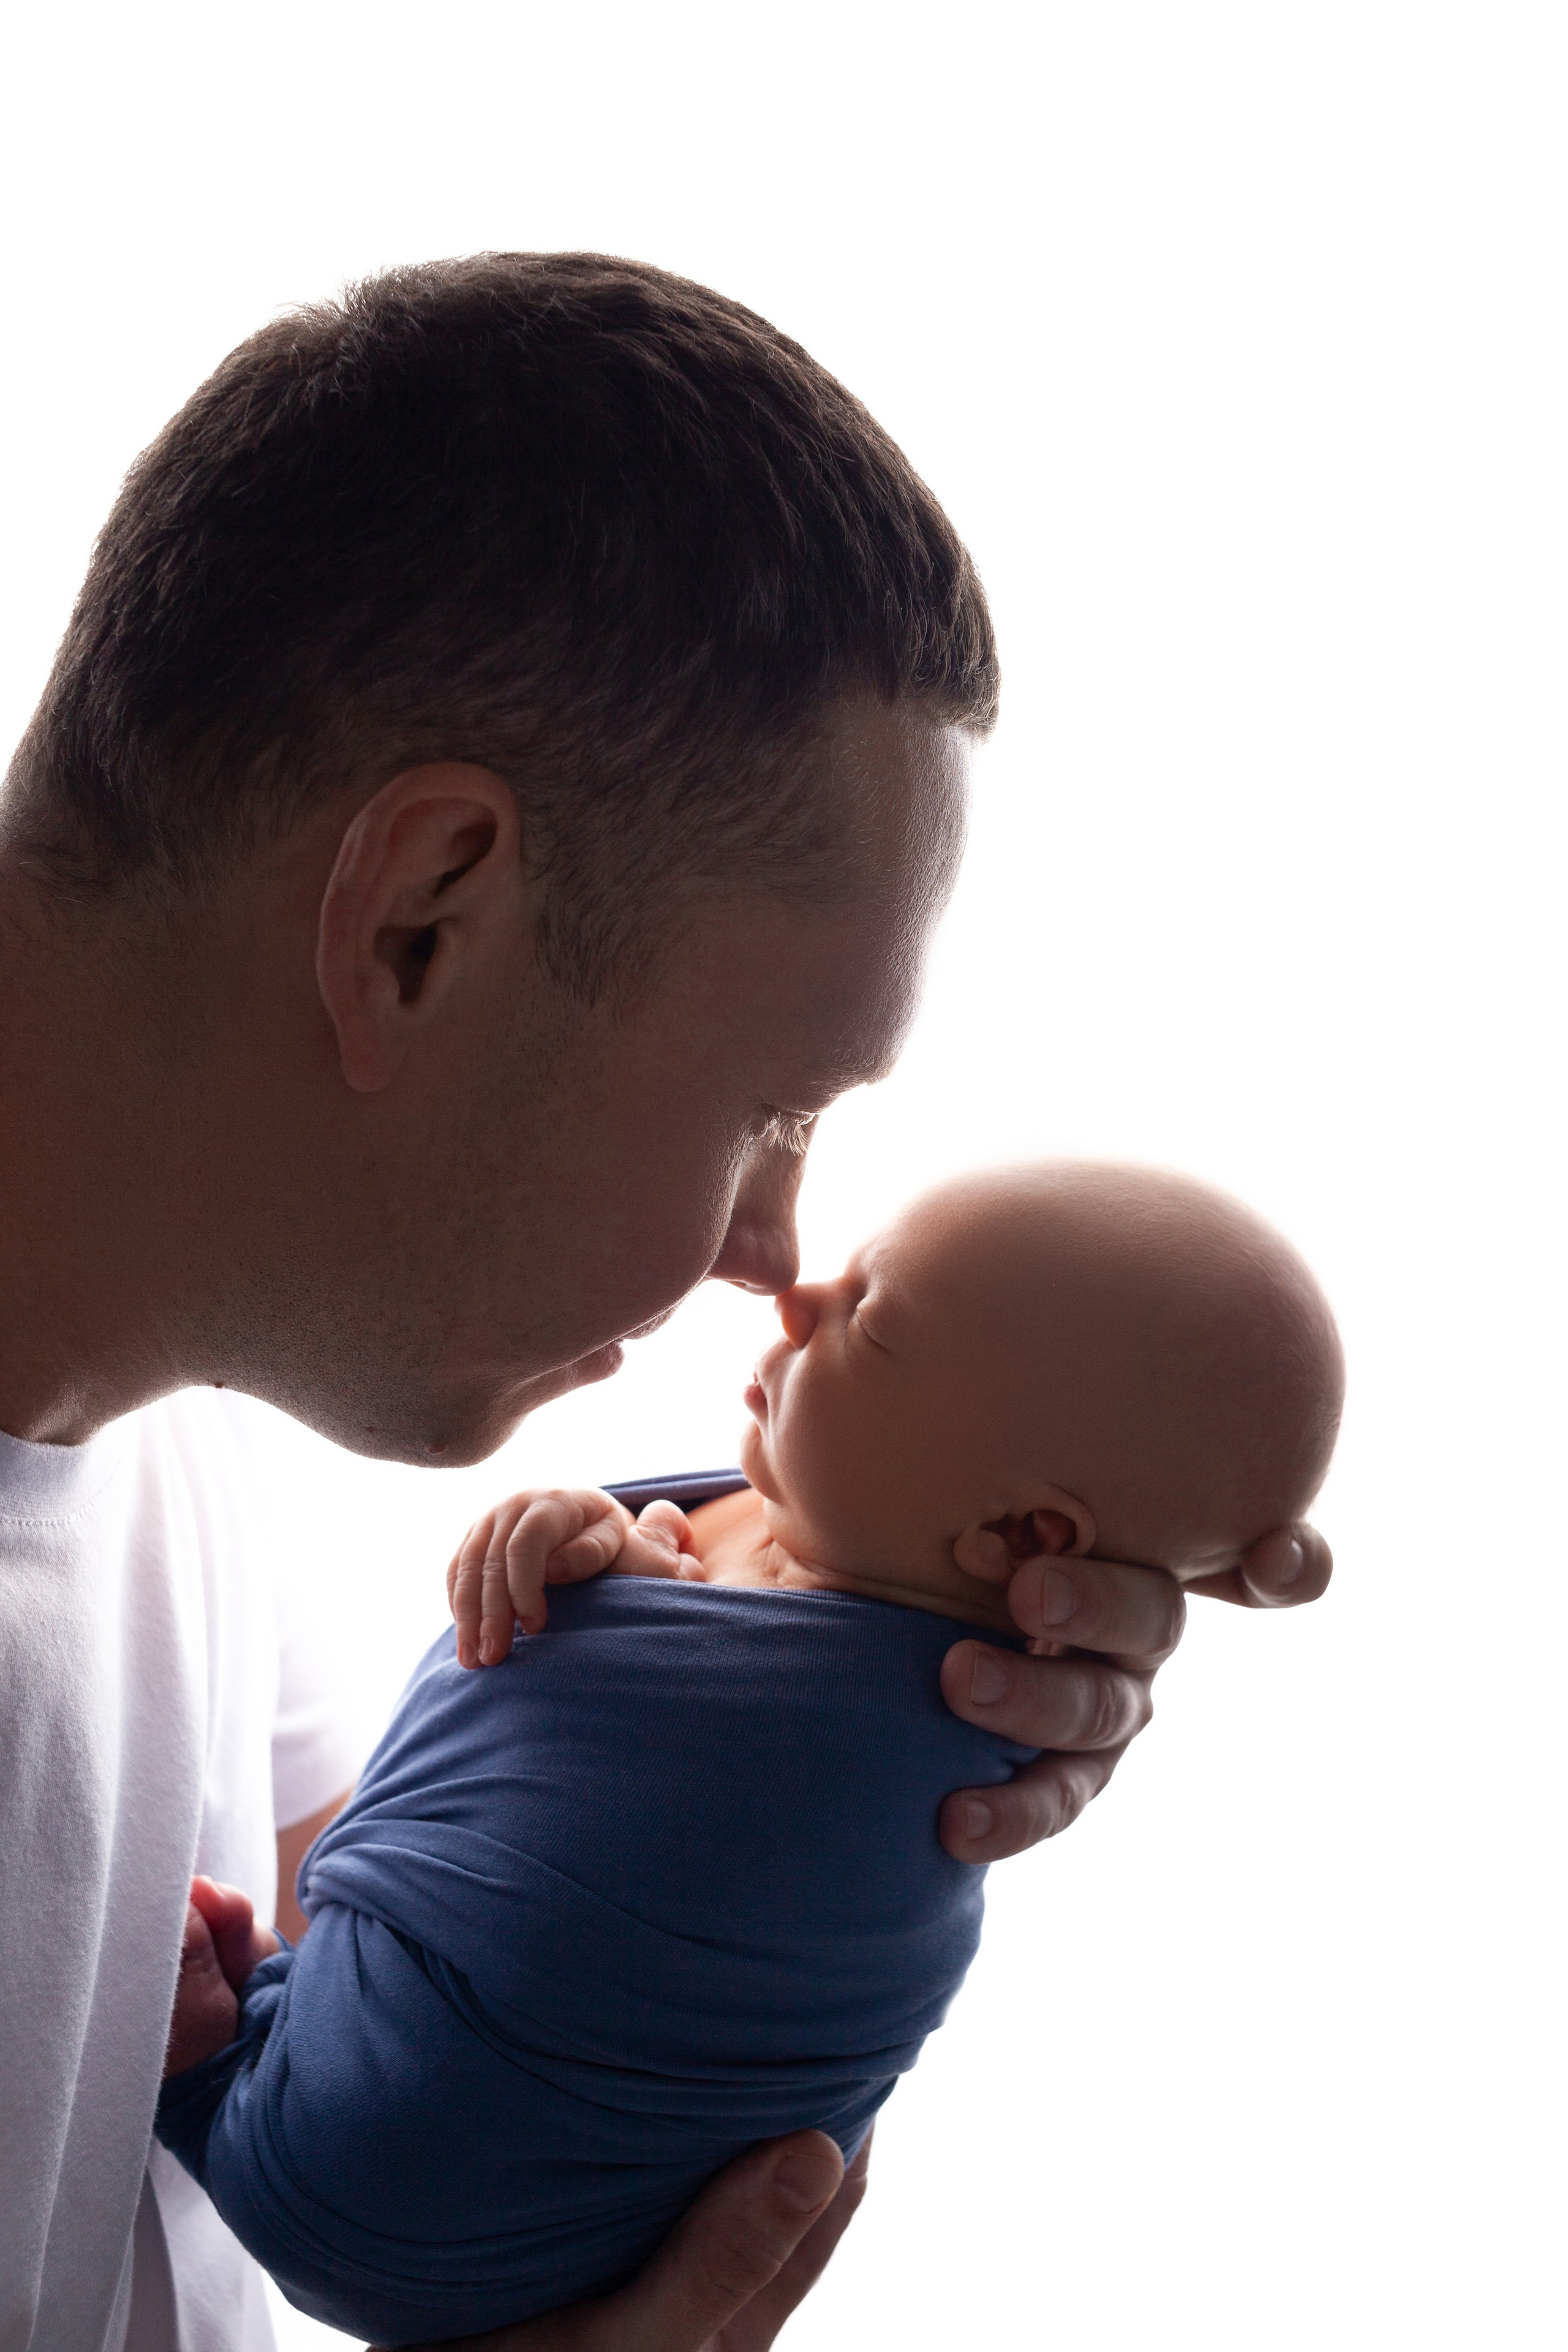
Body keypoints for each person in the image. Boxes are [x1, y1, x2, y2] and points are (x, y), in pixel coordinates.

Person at [0, 255, 1330, 2352]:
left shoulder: (156, 1411)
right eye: (773, 1108)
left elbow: (393, 1939)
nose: (778, 1257)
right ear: (421, 923)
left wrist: (836, 1724)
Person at [151, 1162, 1343, 2344]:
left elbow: (540, 1788)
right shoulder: (877, 1611)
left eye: (870, 1321)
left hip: (409, 2174)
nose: (794, 1295)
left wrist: (581, 1576)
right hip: (448, 2194)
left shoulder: (923, 1737)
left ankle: (225, 2074)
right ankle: (235, 2063)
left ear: (1019, 1536)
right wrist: (579, 1544)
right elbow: (528, 1815)